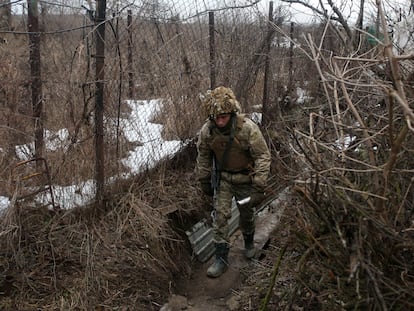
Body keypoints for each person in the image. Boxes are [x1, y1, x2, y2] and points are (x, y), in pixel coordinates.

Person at [195, 86, 271, 278]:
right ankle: (221, 259)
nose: (220, 121)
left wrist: (259, 184)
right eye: (216, 118)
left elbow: (263, 156)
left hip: (245, 179)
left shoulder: (247, 128)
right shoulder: (208, 131)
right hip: (224, 180)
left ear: (232, 113)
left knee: (246, 213)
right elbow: (203, 156)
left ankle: (248, 243)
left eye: (224, 117)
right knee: (220, 217)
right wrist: (204, 179)